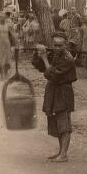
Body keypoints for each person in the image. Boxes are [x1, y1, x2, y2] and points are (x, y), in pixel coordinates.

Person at [32, 32, 76, 162]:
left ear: (66, 45)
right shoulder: (55, 54)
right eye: (55, 45)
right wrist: (38, 53)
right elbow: (39, 67)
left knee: (64, 124)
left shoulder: (68, 59)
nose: (56, 48)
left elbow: (54, 75)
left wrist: (45, 59)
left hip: (63, 91)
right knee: (57, 122)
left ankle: (63, 154)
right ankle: (61, 152)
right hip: (53, 90)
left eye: (60, 45)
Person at [0, 12, 15, 80]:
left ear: (5, 18)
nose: (2, 18)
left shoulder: (8, 25)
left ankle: (6, 72)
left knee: (7, 59)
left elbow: (12, 34)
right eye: (0, 17)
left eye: (3, 17)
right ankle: (1, 74)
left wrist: (12, 43)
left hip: (6, 44)